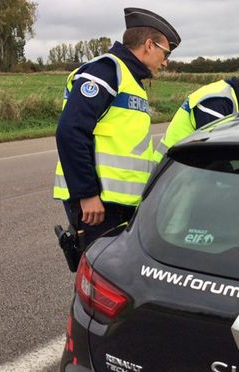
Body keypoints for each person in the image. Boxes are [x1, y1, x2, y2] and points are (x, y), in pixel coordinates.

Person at [53, 7, 181, 262]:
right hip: (97, 204)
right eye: (165, 53)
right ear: (148, 45)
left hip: (118, 204)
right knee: (101, 277)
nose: (165, 61)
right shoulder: (106, 71)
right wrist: (87, 195)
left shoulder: (132, 80)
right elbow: (70, 131)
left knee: (117, 273)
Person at [153, 57, 239, 163]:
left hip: (183, 165)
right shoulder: (218, 101)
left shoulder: (235, 100)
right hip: (171, 168)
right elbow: (214, 154)